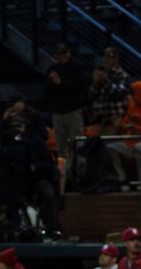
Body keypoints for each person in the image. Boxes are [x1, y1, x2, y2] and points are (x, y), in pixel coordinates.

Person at [45, 43, 90, 180]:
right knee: (61, 146)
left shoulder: (76, 67)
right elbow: (48, 90)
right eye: (60, 53)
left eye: (65, 52)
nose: (64, 55)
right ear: (56, 56)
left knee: (77, 143)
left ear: (69, 53)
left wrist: (60, 83)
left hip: (73, 110)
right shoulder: (52, 69)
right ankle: (64, 176)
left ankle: (81, 174)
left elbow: (78, 85)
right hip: (58, 112)